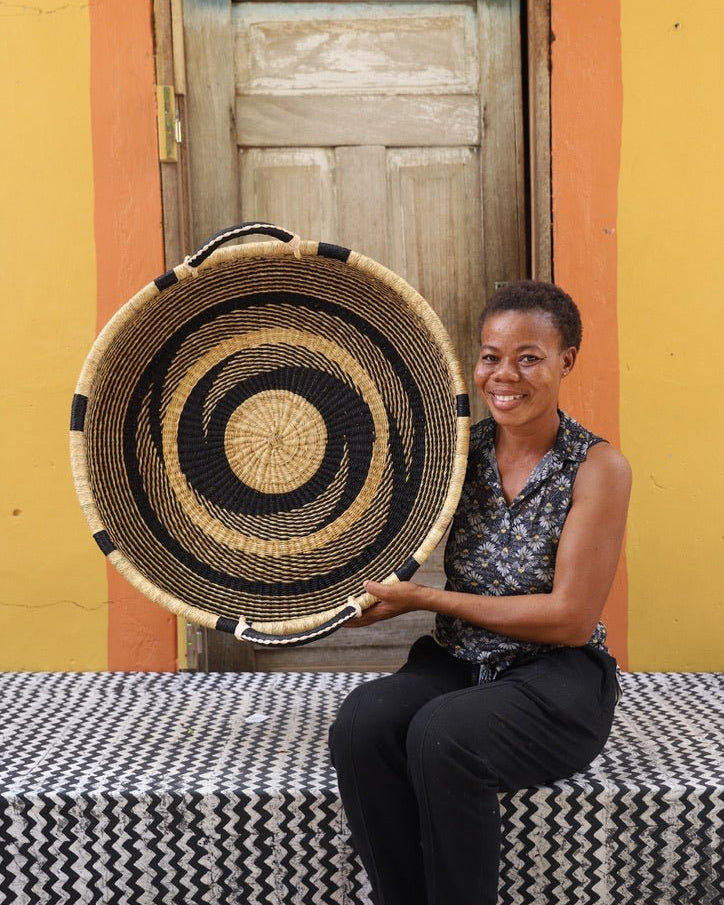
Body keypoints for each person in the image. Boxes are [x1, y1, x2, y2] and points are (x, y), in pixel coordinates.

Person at [328, 280, 632, 905]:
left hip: (558, 678)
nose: (505, 375)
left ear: (566, 361)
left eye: (529, 357)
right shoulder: (456, 454)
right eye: (491, 355)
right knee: (362, 722)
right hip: (458, 661)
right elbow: (378, 535)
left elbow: (571, 620)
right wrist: (339, 597)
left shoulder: (598, 468)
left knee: (443, 733)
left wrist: (426, 600)